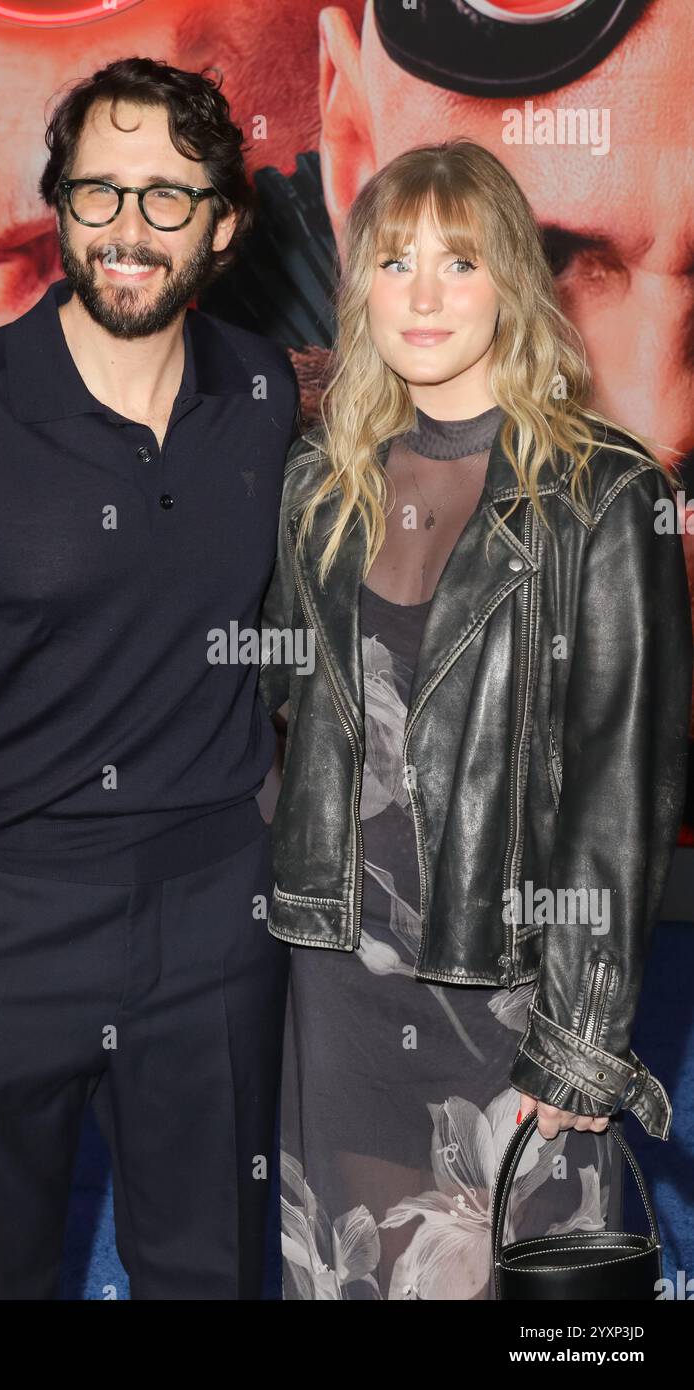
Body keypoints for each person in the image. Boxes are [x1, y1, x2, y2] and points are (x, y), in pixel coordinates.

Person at [0, 56, 299, 1300]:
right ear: (60, 207)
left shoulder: (262, 398)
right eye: (97, 193)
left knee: (208, 1275)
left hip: (213, 918)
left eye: (164, 196)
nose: (127, 231)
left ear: (223, 222)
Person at [257, 139, 692, 1300]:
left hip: (504, 976)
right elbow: (283, 723)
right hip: (338, 967)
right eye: (393, 263)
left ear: (509, 279)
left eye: (457, 261)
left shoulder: (603, 493)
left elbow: (620, 781)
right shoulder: (319, 484)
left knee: (517, 1282)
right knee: (356, 1265)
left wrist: (581, 1031)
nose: (424, 294)